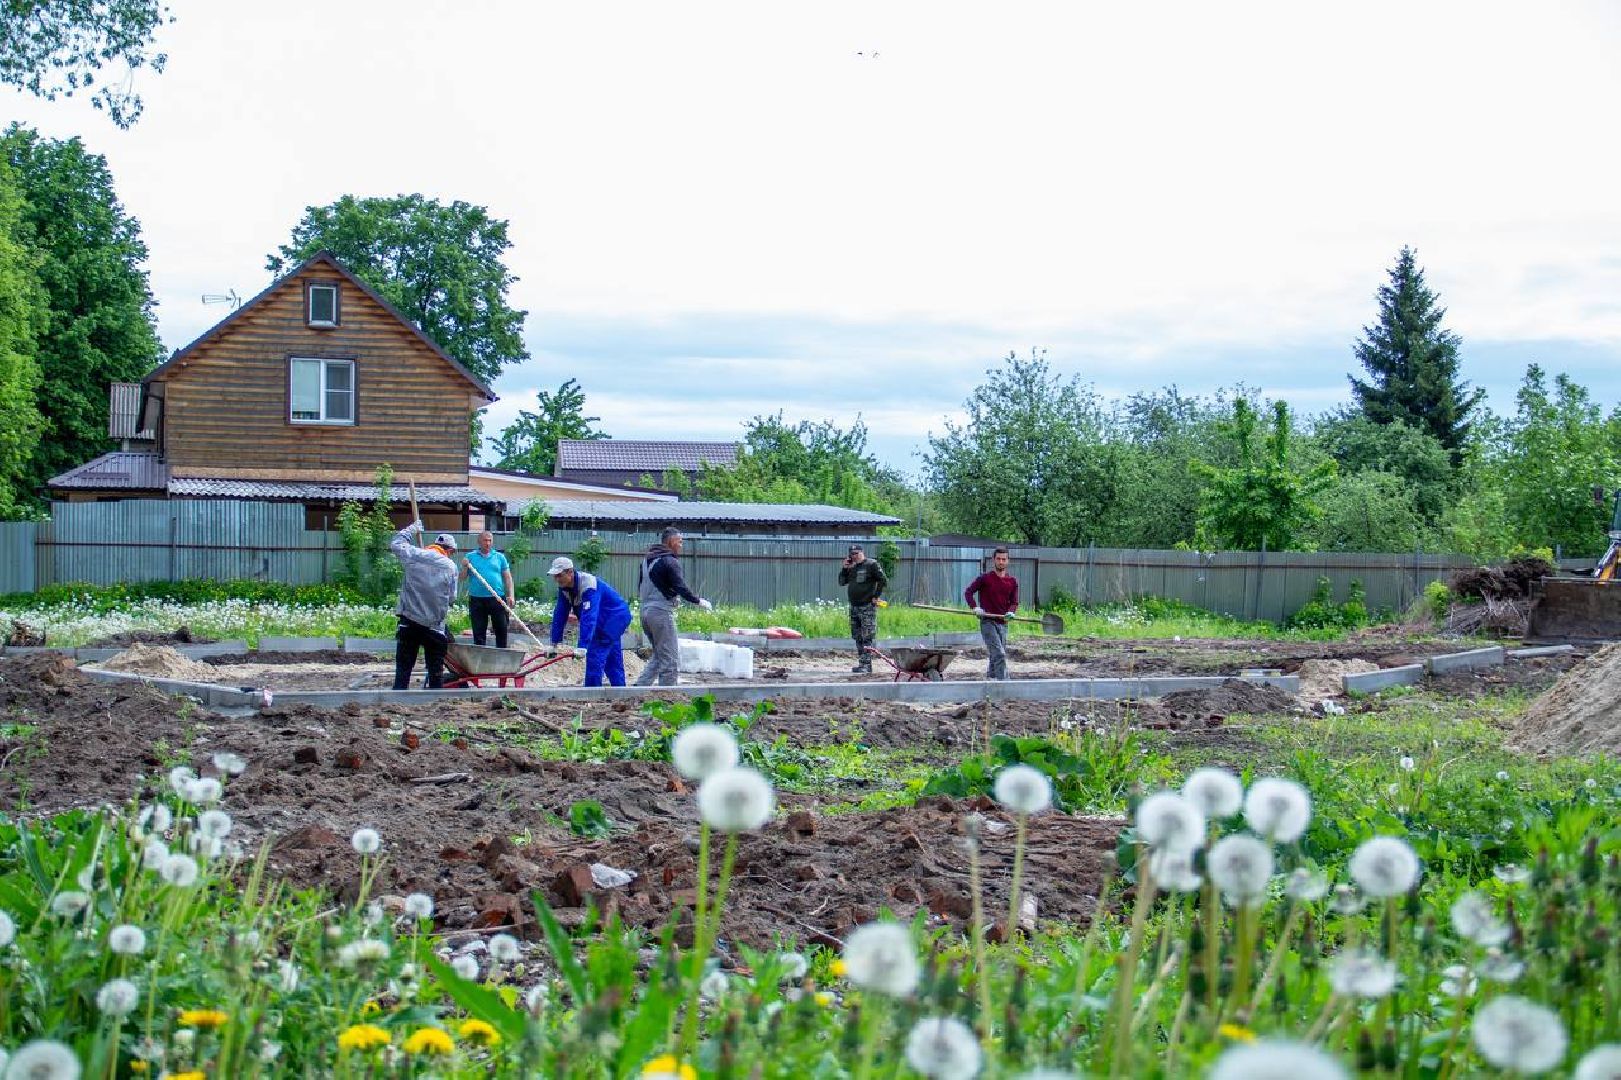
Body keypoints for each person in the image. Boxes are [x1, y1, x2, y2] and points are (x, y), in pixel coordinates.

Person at [633, 527, 712, 687]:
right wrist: (698, 601)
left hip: (645, 612)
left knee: (659, 655)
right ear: (670, 541)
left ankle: (639, 688)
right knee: (670, 658)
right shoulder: (670, 561)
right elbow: (680, 586)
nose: (681, 545)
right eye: (679, 541)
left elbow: (645, 585)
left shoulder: (647, 560)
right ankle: (667, 696)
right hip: (660, 614)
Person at [390, 522, 459, 690]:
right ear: (449, 550)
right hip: (434, 627)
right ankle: (434, 698)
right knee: (436, 671)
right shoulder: (450, 566)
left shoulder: (414, 555)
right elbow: (451, 598)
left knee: (403, 669)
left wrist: (412, 529)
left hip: (409, 622)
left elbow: (396, 544)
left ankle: (398, 698)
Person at [546, 556, 634, 687]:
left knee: (594, 655)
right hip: (604, 619)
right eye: (555, 576)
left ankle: (591, 695)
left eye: (559, 575)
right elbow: (560, 613)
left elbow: (589, 617)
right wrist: (554, 643)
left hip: (614, 617)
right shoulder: (565, 588)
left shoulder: (588, 585)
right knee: (612, 659)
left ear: (570, 572)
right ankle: (620, 691)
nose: (556, 579)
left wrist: (582, 646)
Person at [964, 546, 1019, 680]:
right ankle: (1004, 685)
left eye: (1003, 559)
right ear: (994, 560)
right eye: (998, 559)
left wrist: (1011, 612)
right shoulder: (985, 579)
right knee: (1000, 654)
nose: (1001, 562)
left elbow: (1014, 602)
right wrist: (975, 608)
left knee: (995, 656)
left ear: (1008, 561)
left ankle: (991, 683)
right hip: (988, 622)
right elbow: (968, 592)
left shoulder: (1012, 582)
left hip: (1003, 623)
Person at [460, 530, 515, 648]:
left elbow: (508, 577)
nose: (488, 543)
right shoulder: (470, 557)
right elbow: (462, 578)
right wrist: (465, 567)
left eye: (490, 540)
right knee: (478, 631)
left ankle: (502, 654)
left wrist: (511, 595)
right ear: (479, 541)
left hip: (497, 598)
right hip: (477, 599)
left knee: (501, 628)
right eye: (485, 540)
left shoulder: (499, 557)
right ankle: (481, 657)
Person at [838, 543, 887, 673]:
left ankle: (867, 664)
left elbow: (883, 580)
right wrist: (844, 568)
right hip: (854, 606)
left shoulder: (871, 565)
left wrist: (876, 596)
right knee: (857, 636)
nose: (854, 556)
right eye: (851, 554)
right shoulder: (852, 568)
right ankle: (862, 663)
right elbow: (842, 582)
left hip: (866, 606)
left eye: (856, 554)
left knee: (867, 636)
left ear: (861, 552)